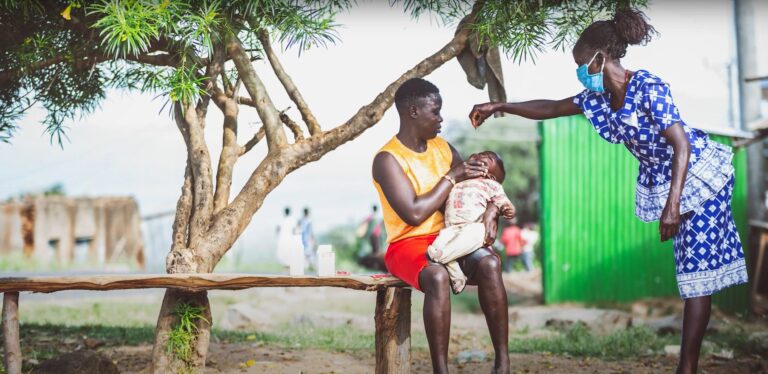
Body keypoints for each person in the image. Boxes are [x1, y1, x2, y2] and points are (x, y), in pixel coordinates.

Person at [468, 9, 748, 374]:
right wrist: (501, 105)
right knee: (690, 269)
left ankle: (687, 367)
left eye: (582, 63)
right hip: (671, 181)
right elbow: (552, 107)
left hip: (698, 175)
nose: (580, 71)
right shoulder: (596, 98)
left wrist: (672, 205)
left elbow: (681, 145)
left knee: (696, 272)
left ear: (600, 58)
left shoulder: (648, 86)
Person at [373, 77, 509, 373]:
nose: (441, 118)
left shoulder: (443, 148)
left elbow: (479, 185)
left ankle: (502, 363)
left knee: (489, 264)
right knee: (436, 277)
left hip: (450, 237)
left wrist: (491, 209)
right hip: (406, 244)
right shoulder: (387, 159)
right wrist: (451, 176)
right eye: (435, 111)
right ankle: (440, 370)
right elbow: (413, 214)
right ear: (413, 112)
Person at [426, 151, 516, 294]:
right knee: (440, 243)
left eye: (488, 158)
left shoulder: (491, 185)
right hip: (451, 228)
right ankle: (457, 277)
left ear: (490, 176)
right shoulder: (458, 182)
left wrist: (507, 208)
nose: (481, 155)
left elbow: (503, 202)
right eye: (479, 154)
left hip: (474, 227)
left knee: (442, 249)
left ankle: (440, 257)